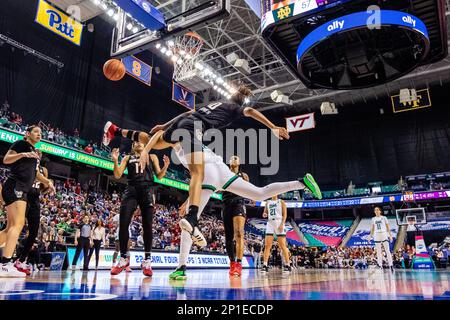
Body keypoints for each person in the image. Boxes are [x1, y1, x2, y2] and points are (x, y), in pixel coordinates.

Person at [101, 124, 321, 279]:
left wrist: (118, 131)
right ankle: (300, 183)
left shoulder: (169, 137)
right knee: (260, 193)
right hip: (220, 167)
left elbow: (143, 137)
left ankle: (181, 266)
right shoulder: (188, 132)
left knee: (188, 222)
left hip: (207, 174)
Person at [0, 125, 55, 277]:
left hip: (20, 189)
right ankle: (5, 264)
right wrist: (23, 154)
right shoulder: (21, 144)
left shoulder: (35, 152)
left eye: (41, 133)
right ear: (27, 133)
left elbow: (36, 174)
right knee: (17, 225)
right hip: (15, 186)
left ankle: (5, 263)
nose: (39, 134)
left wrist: (48, 182)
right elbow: (6, 159)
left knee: (10, 227)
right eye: (36, 132)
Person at [110, 142, 170, 276]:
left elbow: (159, 176)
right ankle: (123, 258)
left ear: (146, 145)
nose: (137, 142)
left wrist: (165, 166)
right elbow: (118, 175)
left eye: (140, 141)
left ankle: (147, 260)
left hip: (147, 190)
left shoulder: (152, 156)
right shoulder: (127, 158)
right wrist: (115, 160)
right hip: (131, 190)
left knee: (147, 225)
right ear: (132, 146)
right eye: (135, 141)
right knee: (124, 223)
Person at [221, 155, 249, 277]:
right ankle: (232, 263)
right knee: (228, 236)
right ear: (229, 162)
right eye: (232, 158)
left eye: (236, 158)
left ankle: (239, 263)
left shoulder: (244, 176)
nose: (234, 159)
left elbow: (248, 189)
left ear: (239, 162)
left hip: (239, 202)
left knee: (239, 233)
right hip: (226, 204)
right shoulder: (223, 173)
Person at [260, 195, 292, 273]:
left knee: (282, 245)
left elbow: (285, 215)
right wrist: (264, 214)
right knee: (267, 245)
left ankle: (288, 265)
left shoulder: (281, 202)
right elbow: (265, 212)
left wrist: (282, 224)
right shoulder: (268, 202)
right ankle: (265, 265)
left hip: (279, 222)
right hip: (270, 222)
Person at [370, 206, 394, 272]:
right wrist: (370, 236)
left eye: (377, 210)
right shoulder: (373, 219)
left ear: (380, 211)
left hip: (383, 233)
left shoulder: (384, 218)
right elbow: (372, 228)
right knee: (378, 251)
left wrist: (390, 235)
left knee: (387, 250)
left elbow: (388, 227)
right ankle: (380, 265)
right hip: (376, 234)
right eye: (375, 210)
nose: (376, 211)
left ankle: (391, 265)